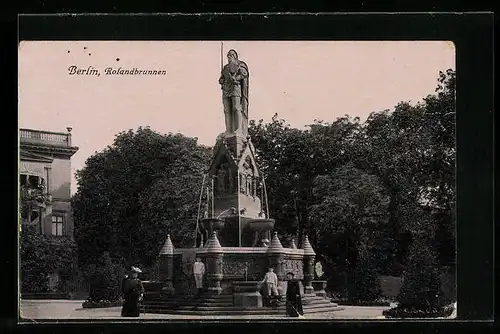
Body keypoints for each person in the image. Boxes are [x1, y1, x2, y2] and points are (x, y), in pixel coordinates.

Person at [218, 49, 249, 136]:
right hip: (226, 89)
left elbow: (244, 74)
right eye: (228, 55)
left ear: (235, 56)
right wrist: (221, 80)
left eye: (231, 55)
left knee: (236, 108)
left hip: (235, 88)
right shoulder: (225, 68)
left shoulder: (239, 64)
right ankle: (228, 130)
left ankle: (238, 129)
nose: (229, 57)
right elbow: (222, 78)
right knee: (227, 110)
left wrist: (237, 78)